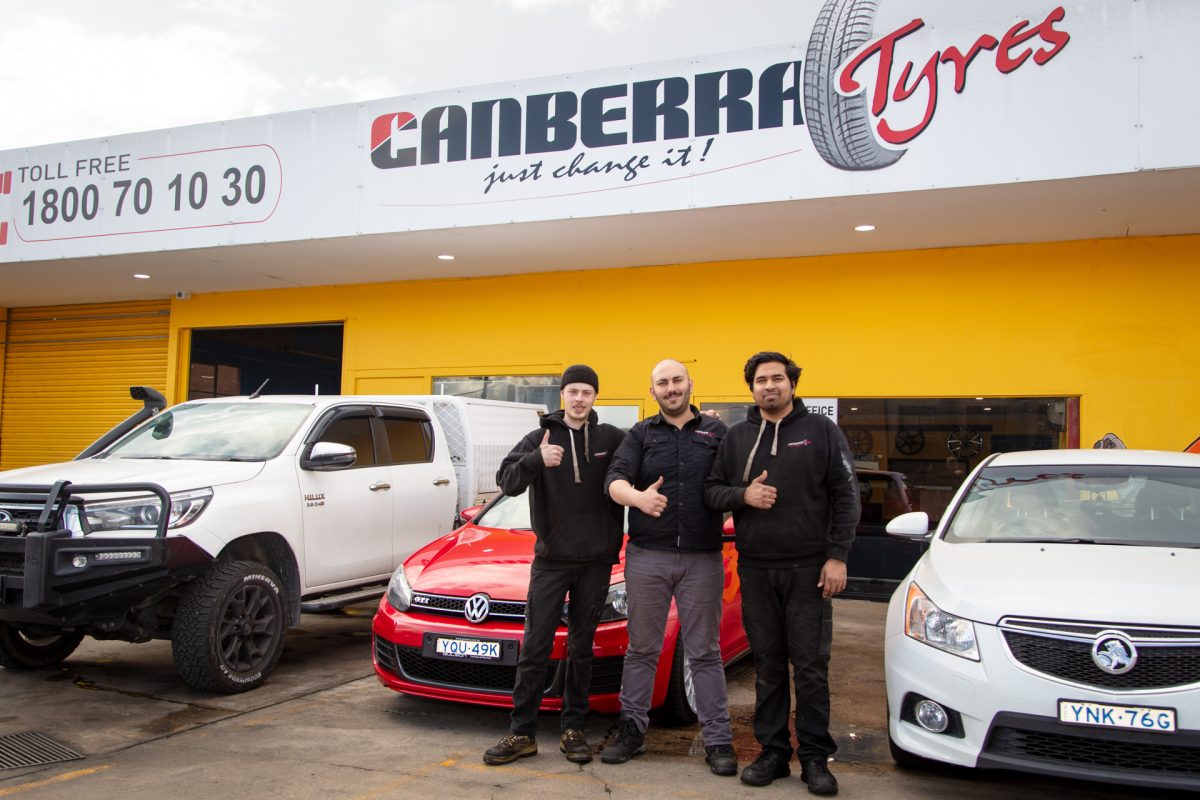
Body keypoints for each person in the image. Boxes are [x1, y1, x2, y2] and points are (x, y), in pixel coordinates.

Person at [703, 352, 859, 796]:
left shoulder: (821, 432)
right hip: (756, 568)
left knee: (810, 667)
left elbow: (847, 496)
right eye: (760, 380)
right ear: (751, 388)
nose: (769, 386)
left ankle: (813, 757)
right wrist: (743, 495)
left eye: (777, 379)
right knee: (768, 667)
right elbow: (711, 492)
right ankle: (772, 752)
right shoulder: (735, 439)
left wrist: (838, 556)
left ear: (792, 384)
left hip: (810, 570)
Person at [483, 364, 627, 767]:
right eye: (572, 391)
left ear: (596, 397)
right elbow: (507, 481)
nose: (579, 398)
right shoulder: (539, 437)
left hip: (597, 561)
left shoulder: (612, 439)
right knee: (534, 647)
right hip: (551, 561)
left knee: (581, 648)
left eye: (586, 392)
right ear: (562, 395)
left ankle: (573, 729)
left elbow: (650, 454)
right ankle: (521, 733)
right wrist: (535, 459)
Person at [600, 359, 737, 776]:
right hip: (648, 557)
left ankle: (717, 740)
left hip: (702, 558)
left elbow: (734, 482)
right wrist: (638, 499)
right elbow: (614, 480)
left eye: (677, 380)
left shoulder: (717, 433)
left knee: (705, 652)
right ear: (653, 390)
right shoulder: (640, 434)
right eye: (663, 383)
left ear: (691, 384)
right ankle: (632, 731)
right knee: (642, 648)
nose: (671, 388)